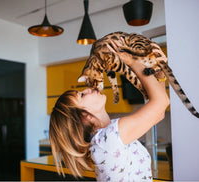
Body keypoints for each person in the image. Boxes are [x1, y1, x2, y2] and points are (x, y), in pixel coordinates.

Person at [49, 40, 170, 182]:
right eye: (81, 95)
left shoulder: (106, 136)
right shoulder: (110, 137)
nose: (87, 89)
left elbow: (159, 108)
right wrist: (131, 61)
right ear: (84, 117)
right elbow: (161, 104)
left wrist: (160, 74)